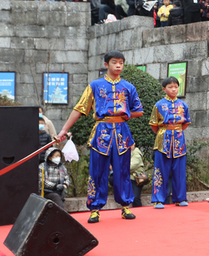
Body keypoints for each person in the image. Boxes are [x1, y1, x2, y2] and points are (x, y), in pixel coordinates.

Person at [55, 51, 144, 224]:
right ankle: (95, 208)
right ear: (106, 64)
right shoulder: (95, 85)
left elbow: (139, 111)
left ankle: (125, 206)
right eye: (114, 62)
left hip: (122, 132)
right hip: (101, 132)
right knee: (97, 172)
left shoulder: (128, 87)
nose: (118, 65)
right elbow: (79, 108)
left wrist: (126, 115)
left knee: (123, 171)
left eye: (121, 63)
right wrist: (63, 130)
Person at [149, 77, 190, 208]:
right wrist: (163, 133)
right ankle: (158, 199)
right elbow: (154, 125)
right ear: (164, 89)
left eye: (176, 87)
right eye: (170, 87)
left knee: (179, 170)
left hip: (179, 139)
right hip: (163, 139)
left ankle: (180, 198)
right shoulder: (158, 105)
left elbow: (185, 123)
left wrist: (176, 131)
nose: (173, 89)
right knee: (160, 170)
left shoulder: (183, 105)